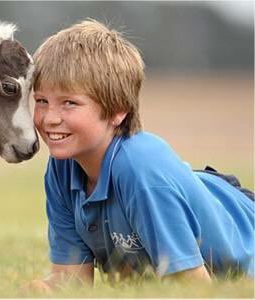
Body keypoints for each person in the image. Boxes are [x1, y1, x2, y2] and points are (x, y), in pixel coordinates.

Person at [26, 19, 254, 291]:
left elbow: (193, 290)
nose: (50, 118)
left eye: (69, 103)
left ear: (117, 110)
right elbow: (73, 282)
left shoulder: (140, 170)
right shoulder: (62, 168)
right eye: (41, 101)